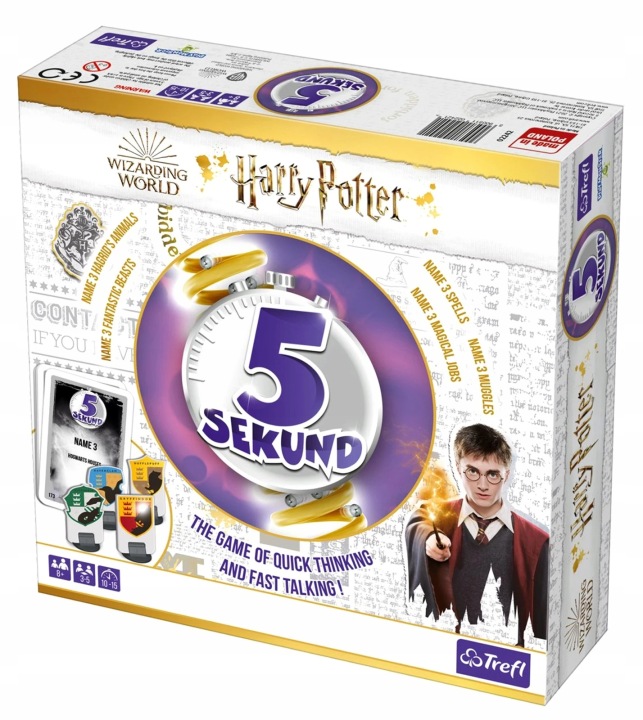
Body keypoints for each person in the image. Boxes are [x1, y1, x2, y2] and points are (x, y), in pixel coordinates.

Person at [405, 424, 548, 646]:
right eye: (472, 471)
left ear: (507, 475)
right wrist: (429, 538)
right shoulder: (439, 518)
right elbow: (420, 521)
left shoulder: (536, 542)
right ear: (458, 468)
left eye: (493, 474)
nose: (482, 485)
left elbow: (541, 616)